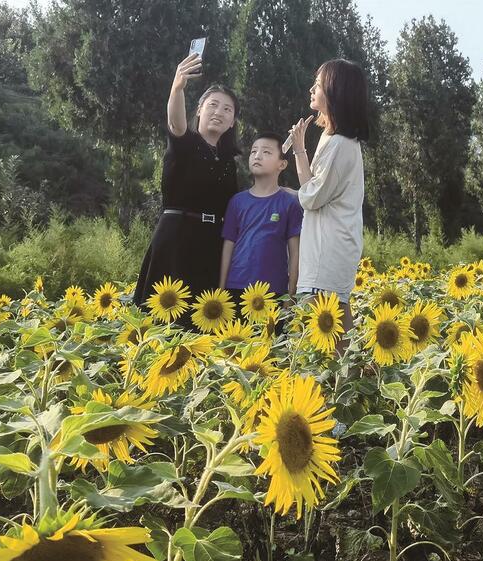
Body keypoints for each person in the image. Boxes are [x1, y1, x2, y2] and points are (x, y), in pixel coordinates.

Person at [133, 54, 241, 321]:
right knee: (166, 323)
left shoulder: (230, 162)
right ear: (200, 110)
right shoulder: (185, 143)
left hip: (212, 244)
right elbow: (175, 123)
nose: (219, 112)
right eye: (213, 105)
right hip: (177, 241)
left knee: (204, 325)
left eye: (227, 109)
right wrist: (177, 87)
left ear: (233, 122)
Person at [288, 59, 369, 349]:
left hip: (328, 248)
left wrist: (297, 155)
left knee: (326, 335)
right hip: (330, 244)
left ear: (335, 92)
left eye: (319, 84)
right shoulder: (333, 139)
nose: (312, 89)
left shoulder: (338, 145)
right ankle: (347, 387)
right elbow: (314, 188)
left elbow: (311, 196)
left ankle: (340, 389)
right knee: (335, 327)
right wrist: (300, 151)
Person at [219, 132, 303, 316]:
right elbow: (228, 247)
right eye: (253, 151)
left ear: (282, 164)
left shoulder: (289, 203)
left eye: (266, 152)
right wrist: (221, 291)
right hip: (236, 288)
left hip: (274, 292)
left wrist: (291, 295)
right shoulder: (237, 202)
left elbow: (295, 253)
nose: (257, 156)